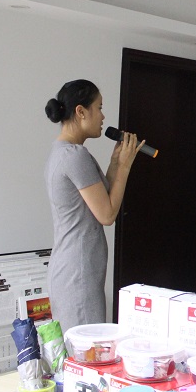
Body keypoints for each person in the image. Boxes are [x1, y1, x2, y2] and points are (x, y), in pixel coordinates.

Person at [43, 79, 144, 333]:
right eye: (98, 107)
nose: (102, 116)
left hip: (74, 272)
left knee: (86, 348)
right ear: (80, 111)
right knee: (89, 350)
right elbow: (107, 214)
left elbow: (100, 198)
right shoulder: (74, 156)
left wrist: (115, 163)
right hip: (77, 275)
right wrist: (125, 167)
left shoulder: (64, 152)